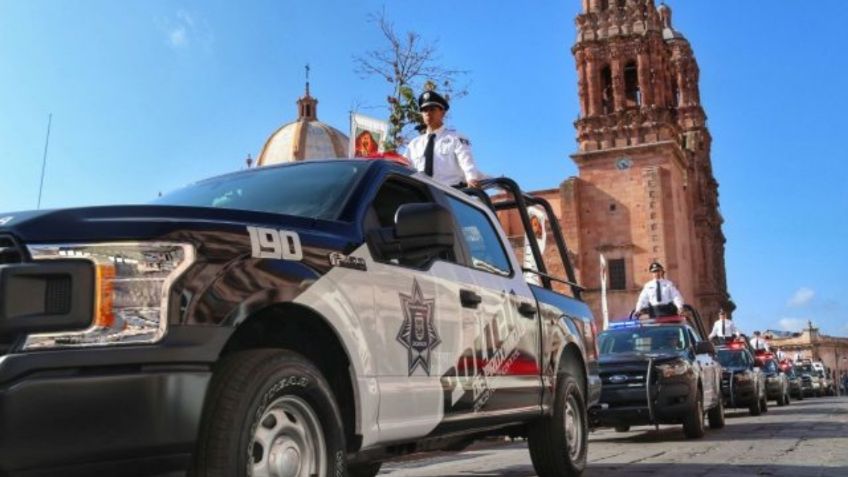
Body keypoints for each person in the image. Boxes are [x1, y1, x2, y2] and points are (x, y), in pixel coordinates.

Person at [406, 90, 484, 188]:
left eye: (432, 109)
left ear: (443, 112)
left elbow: (467, 163)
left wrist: (471, 178)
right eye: (425, 110)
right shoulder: (414, 144)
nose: (428, 113)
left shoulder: (455, 138)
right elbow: (404, 167)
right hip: (421, 194)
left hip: (449, 194)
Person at [523, 206, 547, 285]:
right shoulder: (528, 238)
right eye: (531, 225)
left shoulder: (540, 242)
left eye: (535, 225)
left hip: (532, 280)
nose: (533, 227)